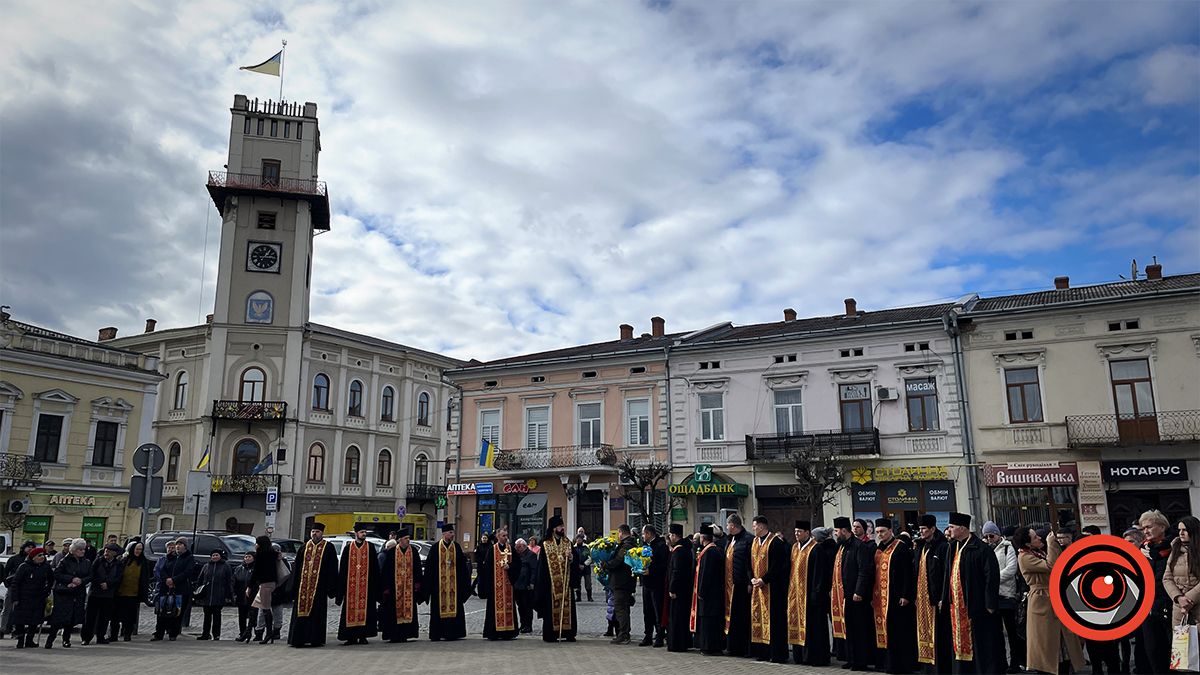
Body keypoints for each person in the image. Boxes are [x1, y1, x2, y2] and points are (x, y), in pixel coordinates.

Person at [1014, 523, 1084, 674]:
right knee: (1046, 643)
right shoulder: (1025, 557)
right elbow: (1052, 566)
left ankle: (1065, 667)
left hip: (1053, 598)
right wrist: (1050, 543)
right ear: (1028, 543)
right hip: (1041, 601)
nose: (1039, 538)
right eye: (1035, 537)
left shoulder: (1036, 553)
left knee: (1062, 641)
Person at [942, 512, 1002, 674]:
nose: (949, 530)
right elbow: (948, 575)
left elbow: (992, 577)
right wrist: (945, 598)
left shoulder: (981, 549)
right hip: (956, 608)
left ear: (962, 528)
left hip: (976, 606)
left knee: (980, 643)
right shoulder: (952, 547)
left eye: (952, 527)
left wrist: (990, 603)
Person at [872, 518, 916, 674]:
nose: (880, 535)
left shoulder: (900, 548)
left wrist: (905, 594)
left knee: (898, 632)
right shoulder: (878, 549)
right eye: (877, 532)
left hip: (896, 597)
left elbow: (907, 573)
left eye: (882, 532)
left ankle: (901, 665)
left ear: (890, 531)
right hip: (880, 598)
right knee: (884, 631)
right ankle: (886, 663)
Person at [833, 516, 875, 672]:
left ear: (844, 531)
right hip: (845, 594)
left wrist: (859, 591)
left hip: (856, 596)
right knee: (849, 628)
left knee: (858, 629)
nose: (836, 534)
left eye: (837, 531)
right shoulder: (843, 546)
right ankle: (851, 658)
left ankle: (860, 661)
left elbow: (864, 571)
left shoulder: (859, 546)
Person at [287, 523, 339, 648]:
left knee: (317, 614)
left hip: (319, 588)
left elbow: (332, 568)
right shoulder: (304, 547)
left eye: (317, 531)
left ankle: (315, 639)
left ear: (322, 533)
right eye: (313, 531)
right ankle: (298, 639)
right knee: (300, 613)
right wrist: (293, 587)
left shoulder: (328, 547)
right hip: (302, 588)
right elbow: (296, 568)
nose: (314, 534)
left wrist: (331, 587)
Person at [981, 521, 1023, 674]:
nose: (989, 538)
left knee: (1011, 631)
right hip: (993, 596)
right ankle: (1001, 662)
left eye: (991, 535)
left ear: (998, 534)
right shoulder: (985, 549)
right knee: (996, 632)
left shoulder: (1007, 547)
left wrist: (994, 579)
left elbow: (1011, 568)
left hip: (1006, 594)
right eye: (985, 536)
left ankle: (1015, 662)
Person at [748, 515, 790, 664]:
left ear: (761, 526)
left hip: (773, 589)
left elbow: (777, 566)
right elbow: (750, 563)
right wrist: (752, 578)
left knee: (775, 622)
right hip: (758, 588)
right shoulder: (754, 542)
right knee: (758, 618)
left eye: (754, 526)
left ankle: (777, 653)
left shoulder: (775, 543)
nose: (753, 528)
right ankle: (762, 651)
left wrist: (764, 579)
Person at [1136, 509, 1173, 674]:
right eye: (1143, 528)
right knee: (1153, 652)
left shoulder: (1174, 548)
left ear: (1162, 527)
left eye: (1149, 527)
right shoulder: (1142, 551)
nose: (1146, 531)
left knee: (1174, 652)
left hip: (1170, 606)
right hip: (1148, 608)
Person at [913, 514, 951, 674]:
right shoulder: (922, 547)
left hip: (936, 600)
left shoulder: (942, 547)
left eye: (924, 529)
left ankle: (940, 668)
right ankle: (927, 667)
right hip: (922, 600)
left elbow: (945, 574)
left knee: (939, 636)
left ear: (933, 529)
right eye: (920, 529)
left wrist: (943, 596)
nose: (921, 532)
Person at [535, 515, 581, 642]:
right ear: (554, 528)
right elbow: (542, 567)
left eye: (563, 526)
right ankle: (551, 634)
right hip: (551, 586)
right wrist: (543, 584)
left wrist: (571, 557)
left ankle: (568, 632)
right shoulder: (546, 544)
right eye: (560, 526)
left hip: (566, 584)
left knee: (568, 608)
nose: (562, 528)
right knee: (551, 610)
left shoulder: (567, 542)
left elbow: (576, 560)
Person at [422, 523, 470, 641]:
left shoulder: (457, 547)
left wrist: (465, 585)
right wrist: (428, 587)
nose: (452, 535)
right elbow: (429, 569)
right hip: (439, 588)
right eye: (450, 533)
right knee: (438, 610)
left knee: (456, 608)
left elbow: (463, 569)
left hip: (454, 586)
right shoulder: (435, 548)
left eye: (453, 533)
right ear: (444, 534)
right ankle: (438, 633)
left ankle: (454, 633)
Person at [336, 528, 379, 645]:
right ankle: (350, 637)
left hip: (366, 587)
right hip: (351, 587)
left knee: (366, 611)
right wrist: (341, 587)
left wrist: (375, 585)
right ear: (356, 534)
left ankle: (363, 636)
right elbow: (343, 569)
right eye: (361, 532)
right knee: (350, 611)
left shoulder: (370, 547)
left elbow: (375, 568)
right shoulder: (348, 548)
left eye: (365, 532)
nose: (364, 534)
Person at [46, 538, 92, 648]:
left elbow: (90, 576)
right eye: (80, 549)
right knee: (59, 617)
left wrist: (81, 581)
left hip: (78, 592)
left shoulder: (86, 562)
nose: (82, 551)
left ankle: (66, 639)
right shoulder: (65, 561)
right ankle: (50, 639)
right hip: (64, 592)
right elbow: (57, 574)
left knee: (72, 618)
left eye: (83, 549)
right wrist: (71, 579)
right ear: (74, 550)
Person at [379, 528, 422, 643]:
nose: (408, 541)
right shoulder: (392, 552)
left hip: (409, 588)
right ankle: (394, 634)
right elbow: (386, 571)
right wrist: (386, 588)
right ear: (399, 540)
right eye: (405, 539)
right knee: (393, 612)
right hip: (395, 589)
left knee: (409, 610)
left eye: (409, 538)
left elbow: (417, 568)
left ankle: (407, 633)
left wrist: (418, 583)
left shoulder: (413, 551)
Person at [478, 527, 521, 640]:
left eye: (506, 535)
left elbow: (518, 564)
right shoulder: (492, 550)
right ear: (498, 537)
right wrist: (488, 585)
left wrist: (510, 567)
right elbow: (486, 568)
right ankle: (494, 632)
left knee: (509, 607)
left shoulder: (510, 549)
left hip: (508, 586)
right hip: (495, 586)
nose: (506, 538)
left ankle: (508, 632)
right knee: (493, 609)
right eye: (503, 536)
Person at [788, 520, 820, 665]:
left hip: (809, 594)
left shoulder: (815, 549)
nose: (796, 534)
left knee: (812, 627)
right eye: (795, 532)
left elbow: (819, 574)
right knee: (795, 622)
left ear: (807, 533)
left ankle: (812, 657)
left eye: (799, 532)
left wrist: (815, 592)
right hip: (795, 593)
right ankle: (798, 656)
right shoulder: (794, 547)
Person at [692, 523, 726, 656]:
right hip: (716, 592)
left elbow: (705, 574)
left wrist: (701, 591)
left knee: (708, 622)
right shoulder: (716, 550)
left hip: (708, 594)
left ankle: (708, 647)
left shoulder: (709, 552)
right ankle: (716, 646)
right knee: (715, 621)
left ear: (703, 538)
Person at [9, 546, 52, 648]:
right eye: (39, 555)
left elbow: (51, 579)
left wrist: (47, 590)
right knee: (20, 620)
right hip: (23, 597)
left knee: (35, 620)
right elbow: (16, 583)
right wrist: (15, 598)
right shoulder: (24, 567)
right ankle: (20, 639)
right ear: (33, 557)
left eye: (43, 555)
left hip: (38, 597)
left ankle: (29, 640)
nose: (42, 557)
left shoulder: (46, 567)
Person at [724, 513, 754, 657]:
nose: (726, 527)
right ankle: (733, 646)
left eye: (727, 525)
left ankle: (744, 648)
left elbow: (750, 563)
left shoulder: (748, 539)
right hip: (730, 585)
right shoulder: (731, 540)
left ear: (733, 525)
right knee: (733, 618)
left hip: (742, 585)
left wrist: (749, 581)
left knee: (742, 617)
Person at [81, 542, 123, 645]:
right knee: (90, 617)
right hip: (95, 593)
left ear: (115, 553)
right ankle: (86, 637)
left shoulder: (118, 564)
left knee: (104, 617)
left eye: (109, 551)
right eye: (106, 550)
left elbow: (119, 578)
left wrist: (108, 584)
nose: (106, 553)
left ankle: (100, 636)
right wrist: (100, 583)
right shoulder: (98, 561)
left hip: (108, 594)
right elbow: (92, 574)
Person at [1164, 516, 1200, 626]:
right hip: (1180, 608)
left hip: (1197, 604)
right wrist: (1178, 598)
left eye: (1184, 530)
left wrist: (1189, 599)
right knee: (1183, 642)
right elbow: (1167, 578)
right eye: (1179, 530)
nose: (1181, 533)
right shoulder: (1175, 550)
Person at [607, 523, 639, 645]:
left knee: (621, 609)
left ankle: (624, 634)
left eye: (618, 533)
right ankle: (625, 633)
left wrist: (606, 564)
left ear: (621, 532)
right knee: (624, 609)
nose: (618, 535)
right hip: (626, 581)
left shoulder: (626, 546)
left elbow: (618, 562)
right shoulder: (631, 544)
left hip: (621, 582)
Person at [248, 535, 282, 644]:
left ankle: (269, 633)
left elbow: (256, 572)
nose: (255, 545)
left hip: (265, 584)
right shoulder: (274, 554)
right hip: (271, 583)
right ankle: (248, 632)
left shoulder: (261, 555)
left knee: (266, 609)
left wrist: (249, 586)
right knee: (254, 607)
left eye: (257, 543)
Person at [665, 523, 693, 652]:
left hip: (679, 590)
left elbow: (676, 571)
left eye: (670, 535)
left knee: (677, 617)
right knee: (682, 616)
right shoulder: (686, 549)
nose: (669, 537)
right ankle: (684, 641)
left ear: (675, 536)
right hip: (685, 588)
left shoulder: (679, 551)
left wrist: (672, 589)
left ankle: (677, 643)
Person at [640, 524, 669, 647]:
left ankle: (659, 636)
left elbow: (664, 565)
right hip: (646, 584)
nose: (642, 536)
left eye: (643, 534)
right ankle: (648, 635)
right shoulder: (644, 546)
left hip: (657, 584)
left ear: (649, 534)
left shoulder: (661, 546)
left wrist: (651, 571)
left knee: (658, 610)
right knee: (647, 611)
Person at [194, 549, 234, 640]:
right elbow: (200, 579)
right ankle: (205, 633)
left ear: (220, 556)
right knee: (206, 616)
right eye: (213, 555)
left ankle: (216, 634)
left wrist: (229, 594)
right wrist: (198, 591)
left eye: (216, 555)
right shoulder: (206, 566)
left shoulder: (225, 566)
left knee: (217, 616)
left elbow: (229, 581)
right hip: (207, 595)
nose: (215, 557)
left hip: (219, 594)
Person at [1, 540, 35, 639]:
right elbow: (5, 572)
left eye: (32, 547)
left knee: (20, 611)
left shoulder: (33, 561)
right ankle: (2, 629)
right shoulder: (14, 559)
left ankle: (17, 630)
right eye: (28, 547)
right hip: (13, 587)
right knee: (7, 609)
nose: (30, 549)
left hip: (25, 589)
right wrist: (7, 583)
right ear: (23, 548)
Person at [513, 538, 537, 634]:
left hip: (526, 585)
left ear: (523, 546)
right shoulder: (516, 556)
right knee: (520, 606)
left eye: (518, 547)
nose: (516, 549)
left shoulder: (531, 555)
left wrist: (532, 583)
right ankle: (522, 624)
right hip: (517, 585)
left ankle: (528, 625)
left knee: (527, 606)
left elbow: (534, 570)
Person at [233, 551, 255, 643]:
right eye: (246, 557)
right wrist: (234, 593)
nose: (247, 558)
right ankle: (242, 632)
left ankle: (255, 633)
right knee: (242, 615)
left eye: (249, 557)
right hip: (241, 595)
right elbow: (234, 581)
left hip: (253, 595)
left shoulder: (256, 569)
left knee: (253, 615)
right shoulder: (239, 568)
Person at [573, 534, 593, 602]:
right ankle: (578, 597)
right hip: (577, 568)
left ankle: (589, 597)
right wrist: (577, 565)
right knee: (577, 583)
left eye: (580, 539)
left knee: (588, 583)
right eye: (577, 539)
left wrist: (584, 565)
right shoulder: (574, 548)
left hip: (586, 568)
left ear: (582, 540)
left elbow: (590, 558)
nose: (578, 540)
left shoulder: (586, 547)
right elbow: (573, 558)